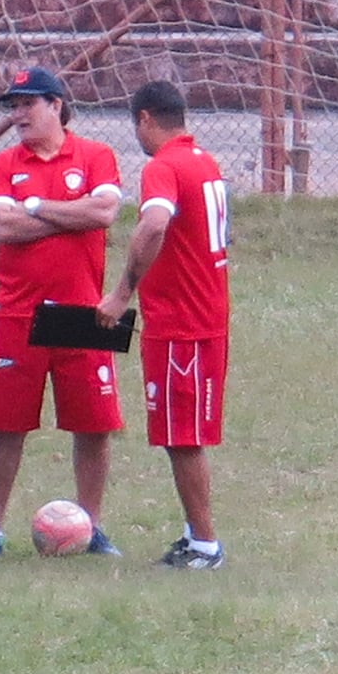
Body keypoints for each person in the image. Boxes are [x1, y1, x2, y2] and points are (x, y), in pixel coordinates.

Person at [0, 66, 125, 559]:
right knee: (7, 425)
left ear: (56, 105)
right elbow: (0, 228)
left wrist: (34, 205)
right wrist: (66, 213)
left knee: (94, 425)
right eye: (12, 106)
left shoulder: (98, 155)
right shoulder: (0, 165)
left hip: (86, 311)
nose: (17, 115)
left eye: (27, 104)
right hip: (16, 312)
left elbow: (102, 214)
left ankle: (92, 526)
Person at [97, 80, 229, 570]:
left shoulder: (164, 167)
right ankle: (195, 534)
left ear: (145, 119)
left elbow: (153, 224)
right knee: (181, 432)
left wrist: (121, 291)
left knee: (182, 436)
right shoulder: (204, 161)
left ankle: (206, 545)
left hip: (183, 323)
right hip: (203, 314)